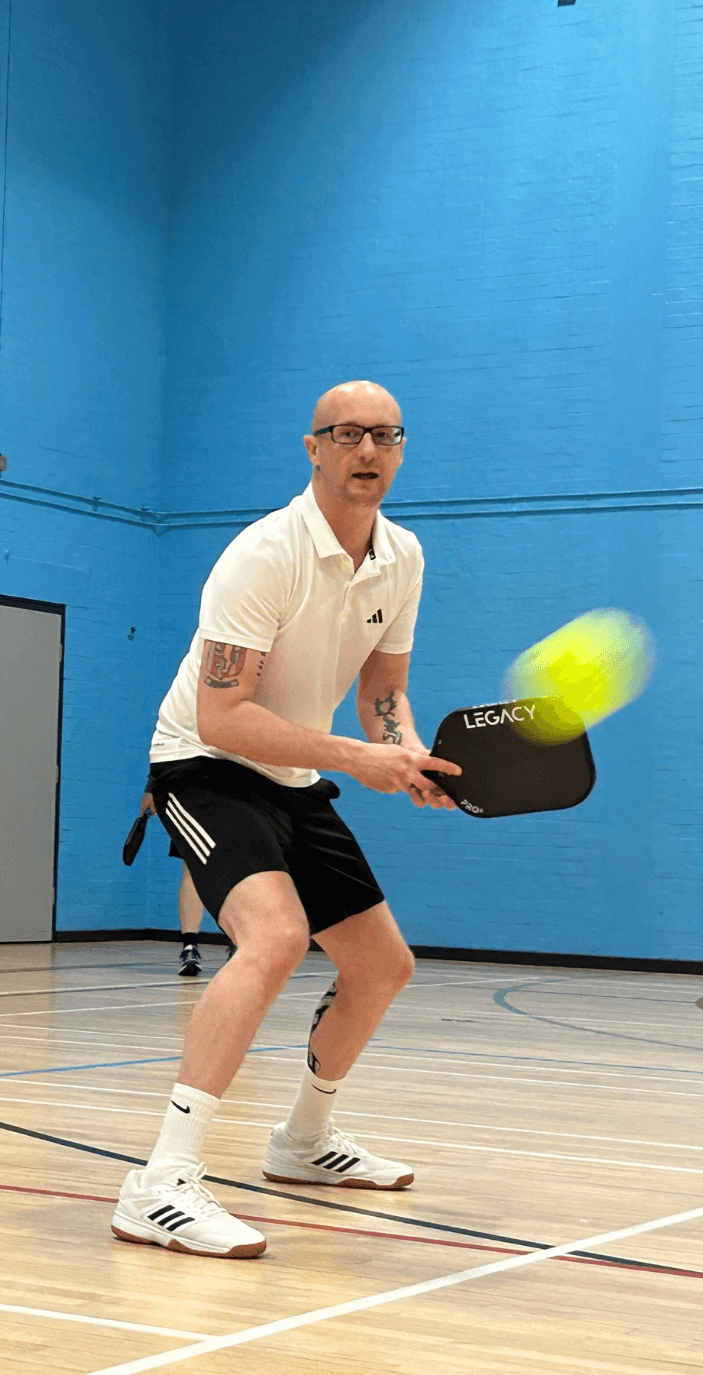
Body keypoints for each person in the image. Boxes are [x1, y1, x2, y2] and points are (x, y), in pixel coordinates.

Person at [111, 381, 460, 1260]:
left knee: (381, 964)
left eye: (385, 435)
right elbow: (223, 715)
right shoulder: (262, 554)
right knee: (273, 937)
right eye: (348, 435)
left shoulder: (403, 557)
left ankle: (302, 1143)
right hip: (202, 760)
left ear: (401, 449)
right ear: (313, 447)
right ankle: (159, 1182)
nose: (367, 451)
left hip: (294, 771)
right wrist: (359, 756)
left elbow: (382, 691)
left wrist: (405, 753)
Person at [138, 787, 209, 976]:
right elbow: (165, 756)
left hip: (237, 797)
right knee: (192, 870)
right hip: (193, 797)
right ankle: (189, 948)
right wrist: (152, 789)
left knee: (238, 875)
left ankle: (237, 944)